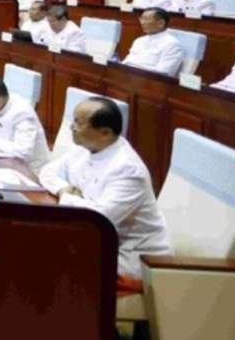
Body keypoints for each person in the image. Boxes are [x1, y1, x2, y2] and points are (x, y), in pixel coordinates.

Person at [39, 97, 172, 292]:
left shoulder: (128, 169)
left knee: (50, 264)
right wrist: (63, 189)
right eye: (73, 120)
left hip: (130, 258)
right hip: (94, 241)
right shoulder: (84, 149)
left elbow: (101, 218)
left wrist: (67, 198)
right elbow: (47, 172)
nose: (71, 127)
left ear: (105, 133)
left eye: (79, 123)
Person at [122, 8, 185, 76]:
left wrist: (134, 67)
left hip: (149, 80)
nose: (142, 22)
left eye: (146, 19)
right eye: (141, 18)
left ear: (161, 23)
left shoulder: (172, 44)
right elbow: (126, 62)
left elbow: (165, 72)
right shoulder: (139, 40)